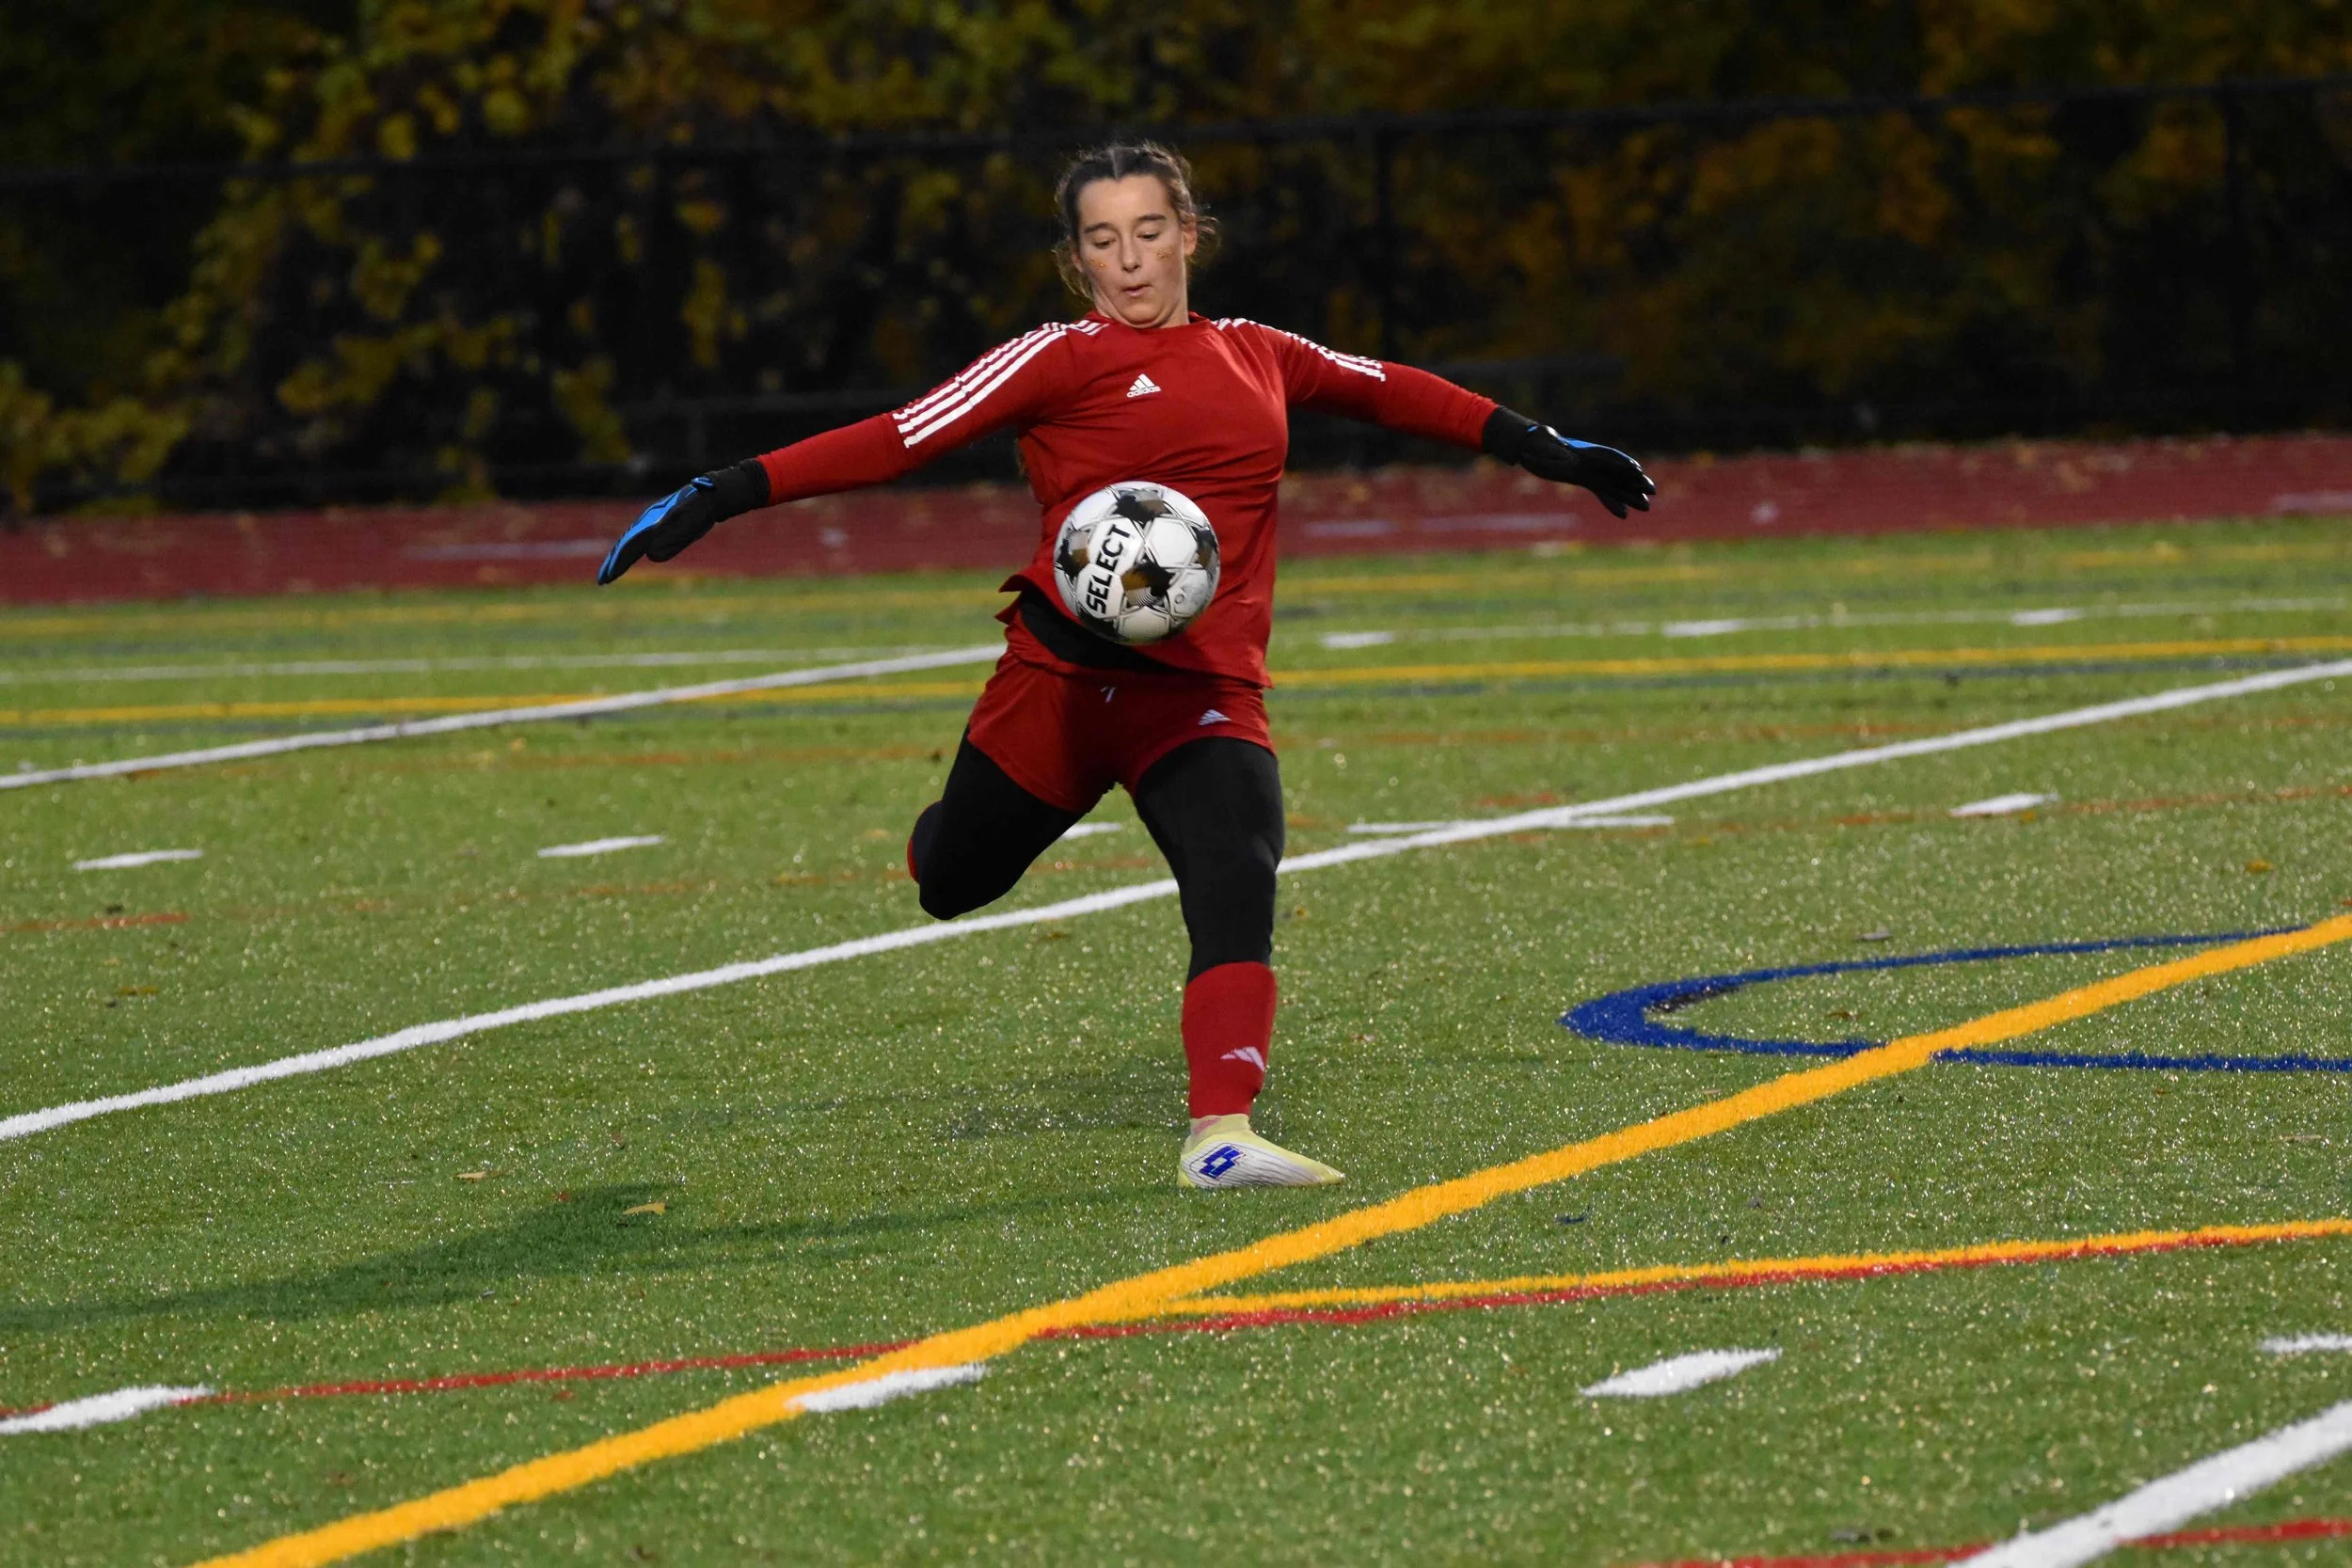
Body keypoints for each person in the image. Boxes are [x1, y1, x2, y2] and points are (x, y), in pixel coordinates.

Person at [596, 141, 1655, 1189]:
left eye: (1150, 232)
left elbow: (1392, 391)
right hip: (1057, 690)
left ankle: (1220, 1133)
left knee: (1236, 869)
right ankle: (939, 840)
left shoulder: (1257, 352)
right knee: (954, 882)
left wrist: (1543, 448)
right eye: (1104, 241)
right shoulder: (1054, 359)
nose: (1132, 259)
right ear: (1078, 261)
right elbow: (897, 437)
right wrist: (719, 492)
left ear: (1188, 233)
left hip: (1200, 689)